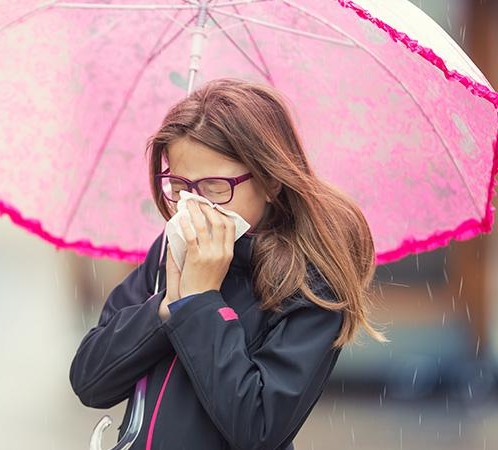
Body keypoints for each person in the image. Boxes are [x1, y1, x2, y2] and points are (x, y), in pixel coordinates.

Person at [69, 78, 389, 450]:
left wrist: (200, 301)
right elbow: (90, 381)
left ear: (271, 181)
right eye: (179, 185)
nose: (194, 204)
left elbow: (257, 428)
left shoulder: (308, 284)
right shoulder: (171, 250)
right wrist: (165, 309)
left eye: (215, 187)